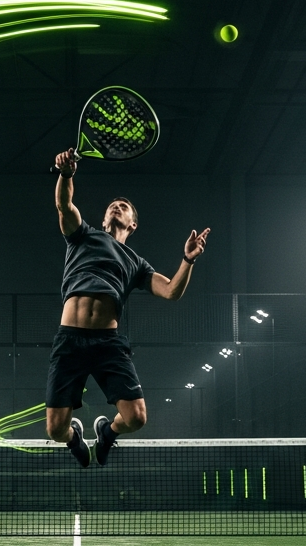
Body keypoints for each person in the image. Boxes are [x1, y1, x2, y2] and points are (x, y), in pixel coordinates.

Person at [46, 148, 210, 466]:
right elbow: (64, 205)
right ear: (106, 218)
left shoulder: (137, 263)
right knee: (55, 430)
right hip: (70, 340)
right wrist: (66, 173)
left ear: (132, 224)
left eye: (124, 207)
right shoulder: (83, 236)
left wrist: (188, 260)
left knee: (136, 418)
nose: (117, 207)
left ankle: (107, 433)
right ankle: (74, 438)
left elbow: (171, 291)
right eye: (113, 206)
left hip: (108, 344)